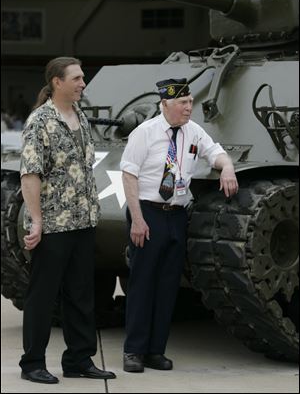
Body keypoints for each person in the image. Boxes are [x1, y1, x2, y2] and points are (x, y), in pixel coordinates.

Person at [120, 78, 238, 373]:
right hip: (147, 213)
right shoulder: (144, 133)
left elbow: (216, 152)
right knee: (142, 284)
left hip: (177, 215)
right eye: (183, 103)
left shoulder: (194, 131)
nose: (189, 108)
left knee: (168, 286)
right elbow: (129, 176)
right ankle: (134, 351)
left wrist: (228, 167)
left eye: (190, 102)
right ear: (165, 104)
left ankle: (156, 351)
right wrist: (137, 219)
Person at [19, 57, 116, 384]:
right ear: (57, 82)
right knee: (43, 296)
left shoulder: (80, 116)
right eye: (76, 78)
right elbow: (30, 174)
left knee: (81, 294)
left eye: (83, 77)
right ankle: (32, 363)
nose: (83, 83)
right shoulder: (40, 121)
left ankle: (79, 359)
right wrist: (36, 220)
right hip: (55, 223)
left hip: (83, 221)